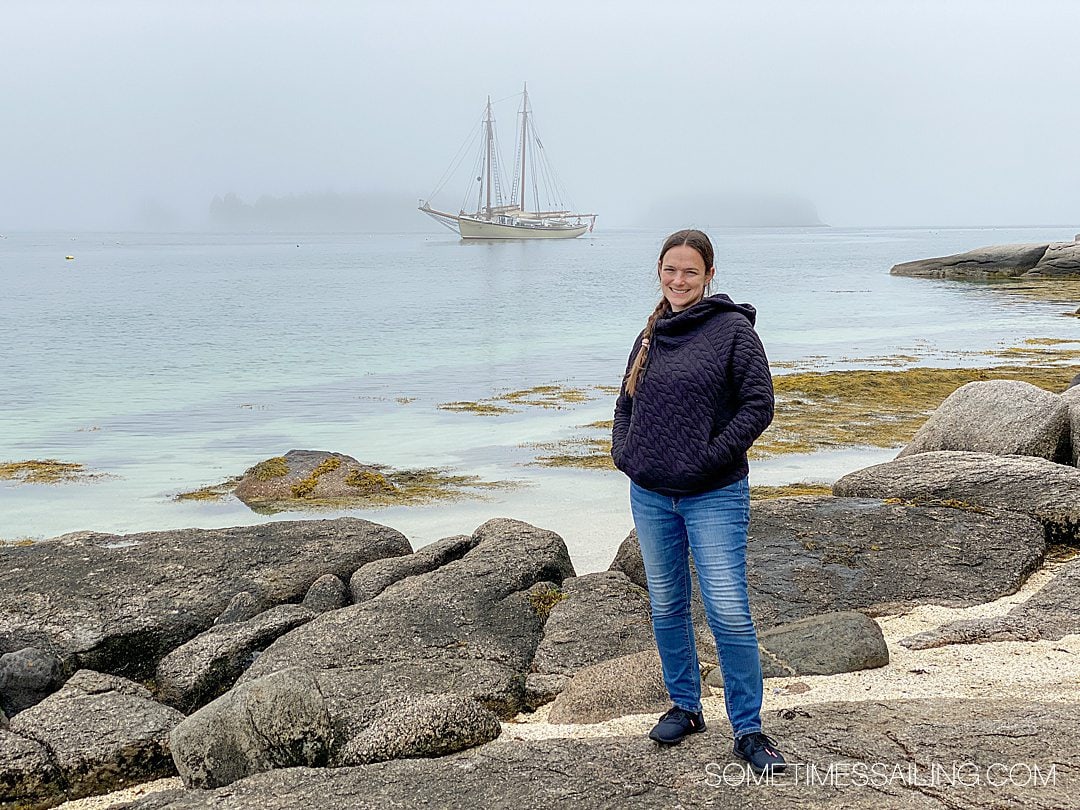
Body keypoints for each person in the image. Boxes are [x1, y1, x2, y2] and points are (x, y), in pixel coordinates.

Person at [610, 228, 785, 775]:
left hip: (714, 495)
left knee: (729, 612)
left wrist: (708, 458)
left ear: (709, 275)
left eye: (690, 271)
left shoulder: (733, 332)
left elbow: (758, 406)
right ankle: (686, 707)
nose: (679, 279)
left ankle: (750, 729)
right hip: (652, 494)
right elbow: (626, 401)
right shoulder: (651, 332)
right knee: (666, 606)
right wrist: (626, 453)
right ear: (659, 272)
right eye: (670, 270)